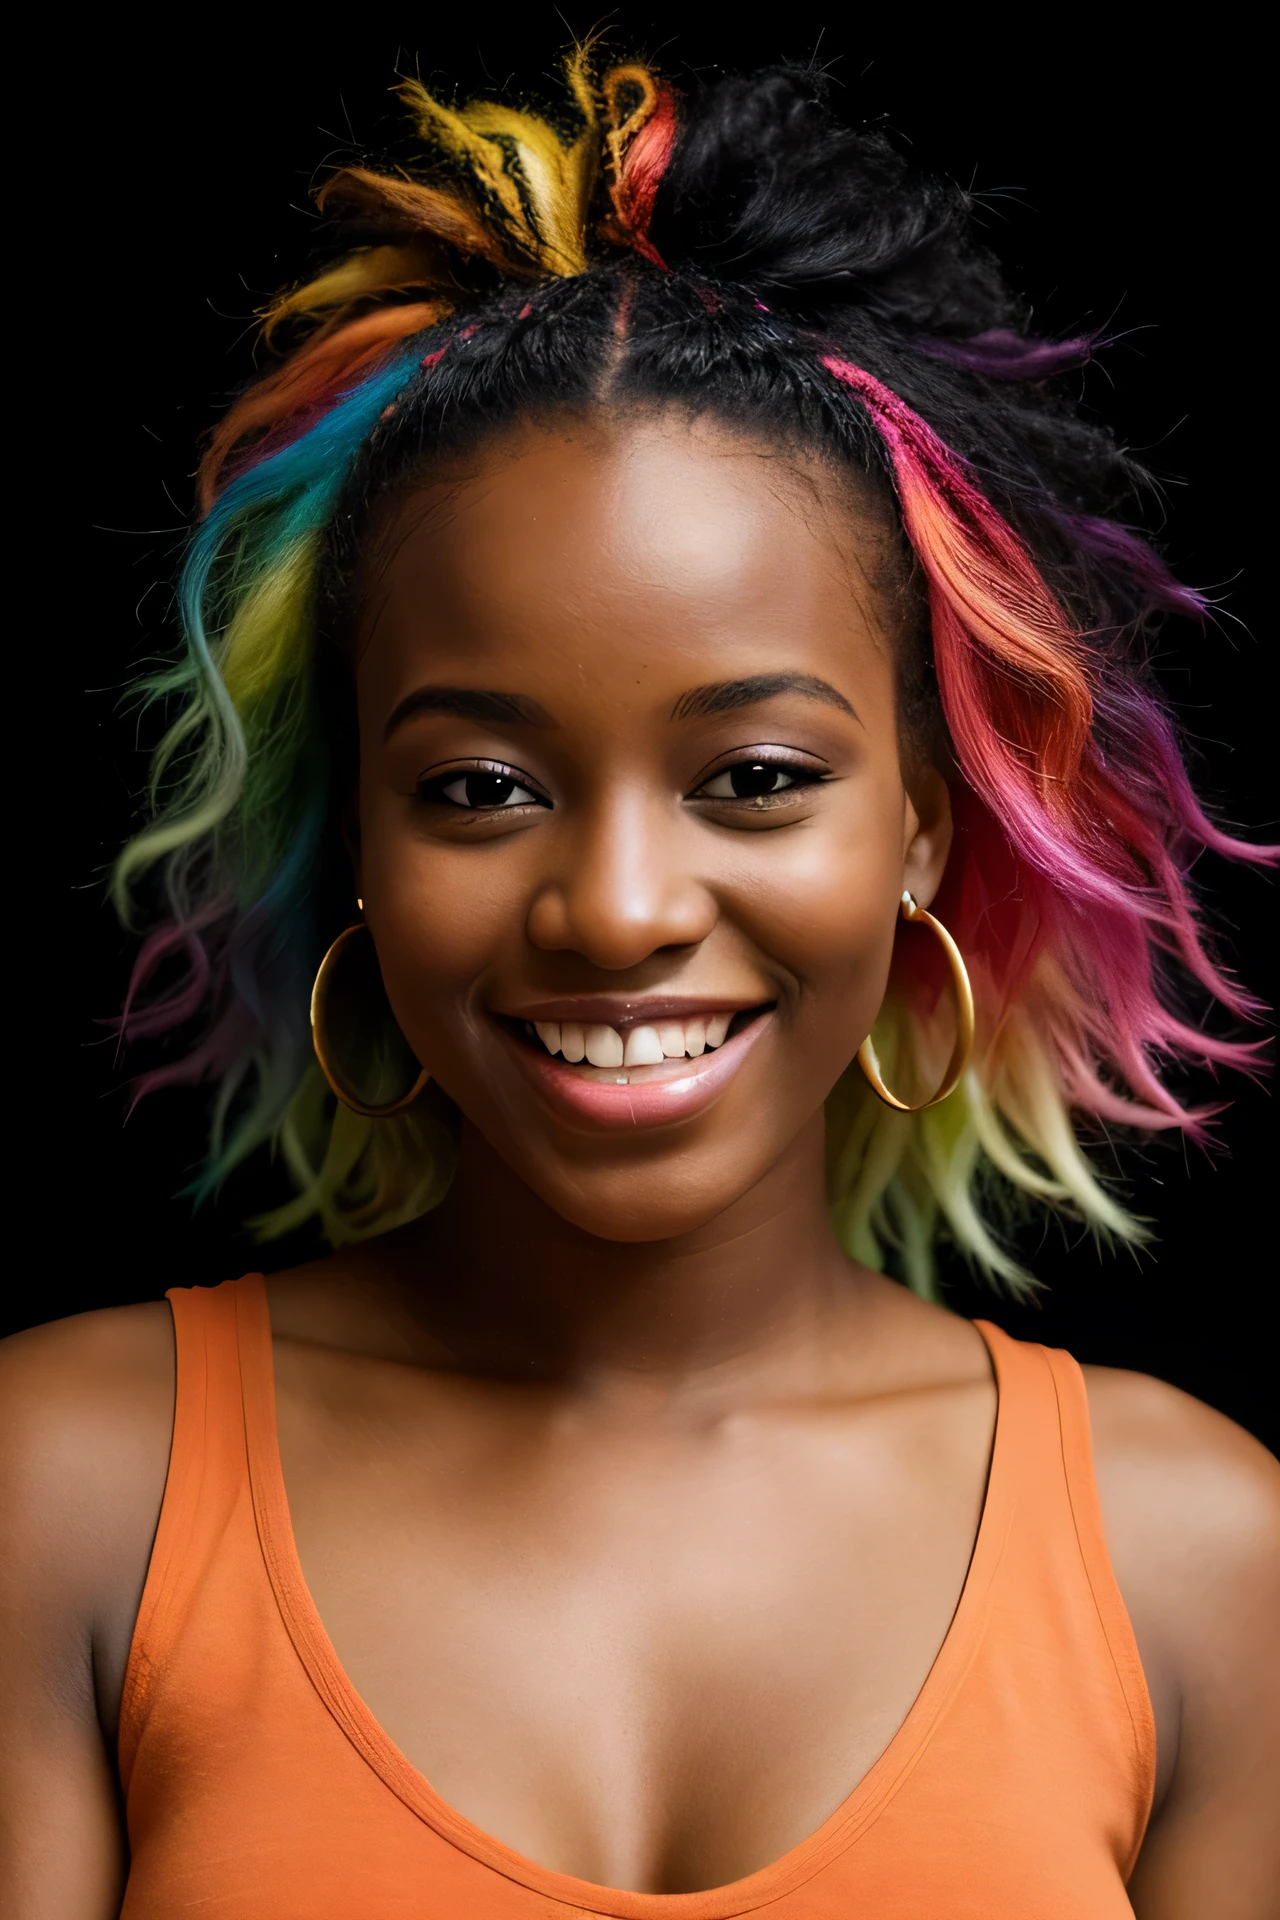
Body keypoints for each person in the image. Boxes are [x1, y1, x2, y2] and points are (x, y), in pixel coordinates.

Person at [2, 50, 1276, 1919]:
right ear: (354, 832)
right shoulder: (63, 1495)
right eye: (481, 788)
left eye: (755, 777)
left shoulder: (1204, 1560)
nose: (613, 909)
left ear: (925, 830)